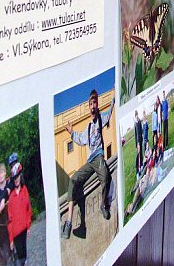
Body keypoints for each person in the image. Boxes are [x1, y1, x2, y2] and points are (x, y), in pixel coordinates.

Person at [61, 90, 114, 239]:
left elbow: (110, 112)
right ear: (88, 106)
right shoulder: (88, 127)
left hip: (98, 157)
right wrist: (71, 133)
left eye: (95, 103)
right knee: (73, 180)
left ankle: (103, 205)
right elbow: (80, 139)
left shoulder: (101, 119)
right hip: (90, 162)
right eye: (90, 104)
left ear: (97, 105)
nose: (93, 106)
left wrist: (114, 98)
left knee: (104, 177)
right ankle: (70, 223)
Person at [8, 163, 31, 265]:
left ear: (20, 176)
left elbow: (28, 209)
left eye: (17, 177)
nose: (16, 180)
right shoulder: (11, 197)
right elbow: (10, 219)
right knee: (20, 257)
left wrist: (28, 226)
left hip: (24, 229)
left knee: (24, 255)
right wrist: (11, 239)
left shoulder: (24, 190)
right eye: (14, 178)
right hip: (16, 232)